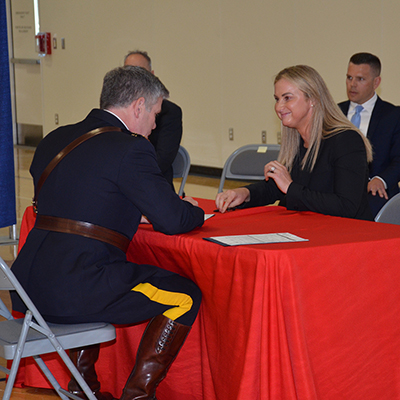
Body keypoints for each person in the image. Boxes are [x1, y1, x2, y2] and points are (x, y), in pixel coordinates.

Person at [11, 66, 205, 400]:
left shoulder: (54, 138)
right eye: (156, 114)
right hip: (75, 290)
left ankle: (83, 388)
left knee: (100, 278)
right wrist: (197, 211)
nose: (155, 125)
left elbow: (79, 198)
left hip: (27, 289)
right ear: (139, 106)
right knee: (186, 295)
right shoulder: (129, 148)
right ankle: (137, 395)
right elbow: (173, 219)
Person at [215, 65, 374, 221]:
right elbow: (277, 190)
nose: (279, 107)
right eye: (277, 99)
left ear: (312, 99)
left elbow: (346, 206)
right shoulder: (296, 139)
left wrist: (290, 187)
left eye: (287, 98)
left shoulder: (347, 141)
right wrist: (244, 194)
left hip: (348, 237)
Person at [338, 52, 400, 217]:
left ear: (376, 82)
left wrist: (381, 179)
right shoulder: (334, 113)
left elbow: (398, 159)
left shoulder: (393, 116)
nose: (352, 84)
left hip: (375, 192)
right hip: (336, 192)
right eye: (349, 78)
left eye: (360, 79)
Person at [124, 50, 183, 192]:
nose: (134, 78)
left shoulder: (169, 112)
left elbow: (162, 160)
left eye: (139, 72)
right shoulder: (116, 108)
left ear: (151, 75)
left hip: (155, 187)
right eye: (128, 72)